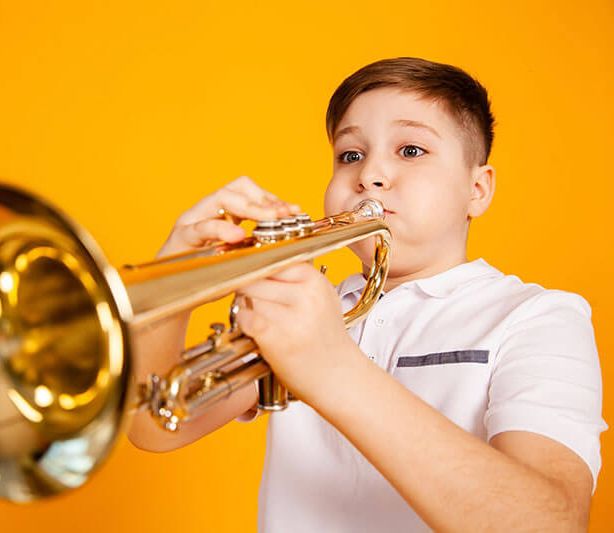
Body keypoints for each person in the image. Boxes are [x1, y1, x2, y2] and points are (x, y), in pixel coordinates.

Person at [126, 57, 606, 532]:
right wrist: (176, 286)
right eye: (350, 155)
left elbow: (550, 524)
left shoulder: (539, 318)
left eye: (411, 150)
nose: (369, 175)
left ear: (477, 190)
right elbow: (155, 424)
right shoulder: (304, 311)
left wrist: (332, 367)